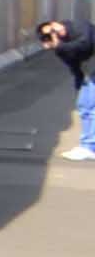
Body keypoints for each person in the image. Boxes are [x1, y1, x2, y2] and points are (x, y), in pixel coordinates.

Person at [43, 12, 95, 164]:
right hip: (90, 72)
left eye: (54, 30)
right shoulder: (62, 47)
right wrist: (79, 80)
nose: (56, 33)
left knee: (89, 106)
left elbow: (85, 43)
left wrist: (60, 45)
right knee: (85, 106)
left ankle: (89, 146)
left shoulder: (81, 26)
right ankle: (88, 146)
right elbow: (73, 64)